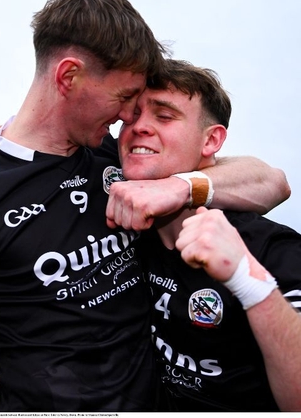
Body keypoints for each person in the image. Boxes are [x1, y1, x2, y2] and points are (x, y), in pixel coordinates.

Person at [0, 0, 289, 412]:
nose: (129, 117)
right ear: (69, 76)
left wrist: (181, 185)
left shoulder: (114, 156)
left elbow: (270, 180)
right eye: (125, 98)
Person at [117, 59, 301, 411]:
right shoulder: (124, 222)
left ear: (211, 140)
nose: (139, 127)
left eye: (164, 115)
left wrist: (249, 281)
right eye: (133, 115)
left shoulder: (268, 248)